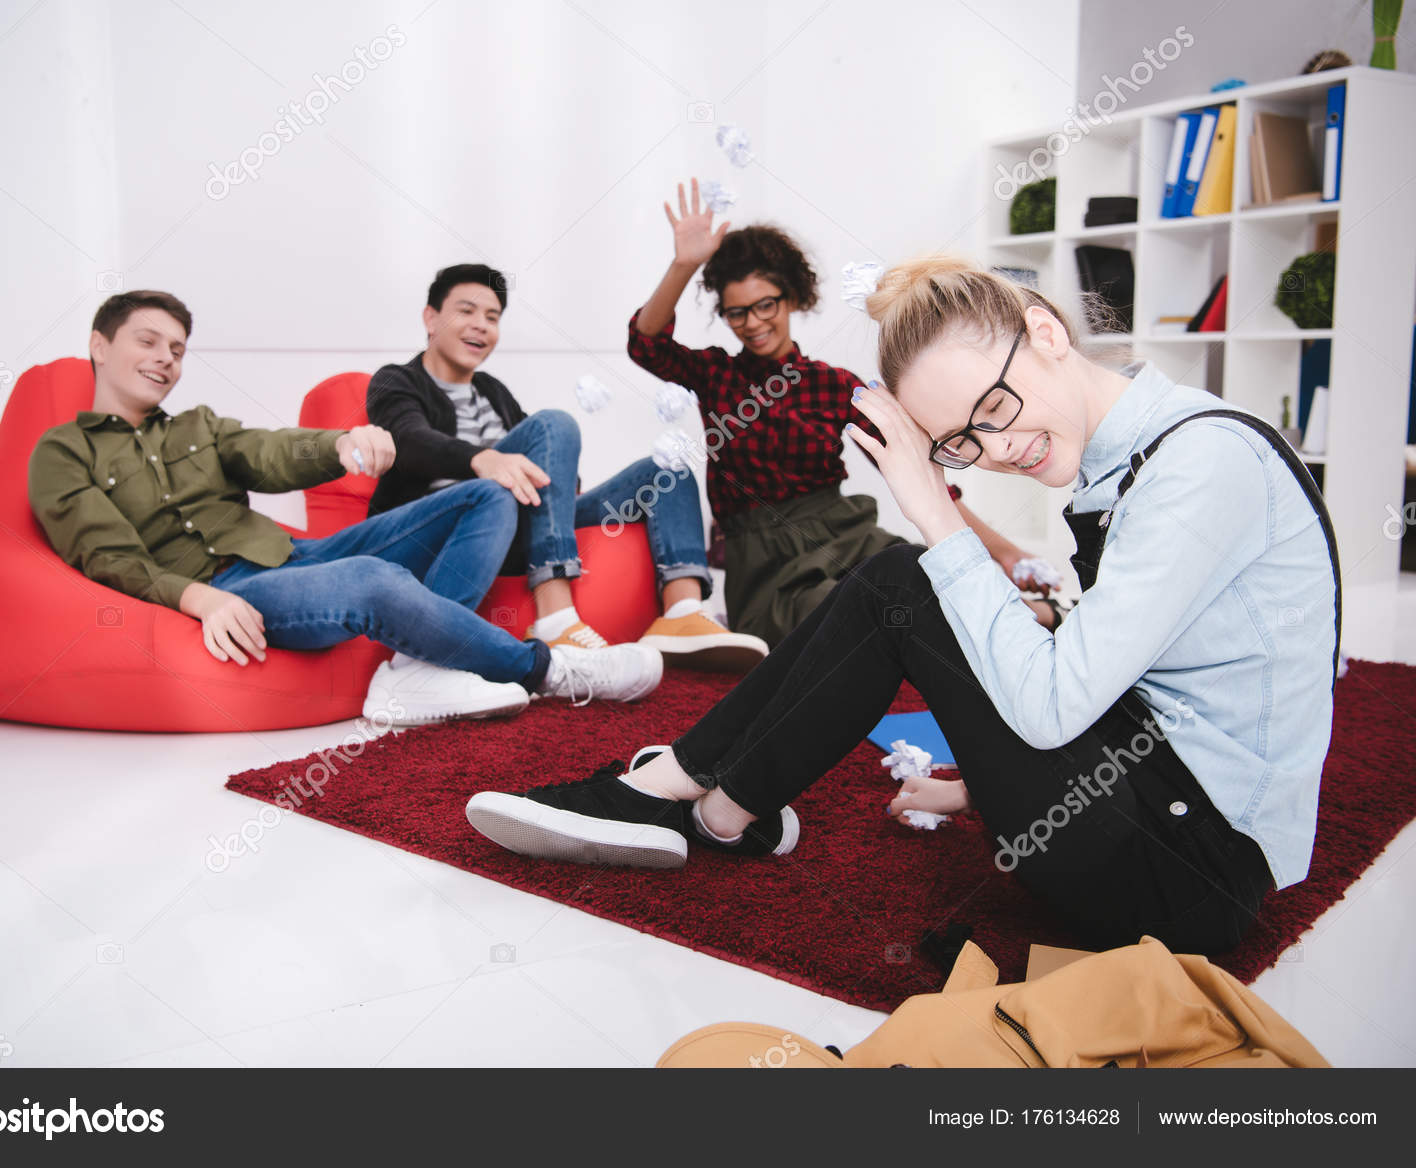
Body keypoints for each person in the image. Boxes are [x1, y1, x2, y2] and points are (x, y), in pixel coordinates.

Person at [466, 257, 1339, 955]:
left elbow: (1056, 703)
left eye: (994, 408)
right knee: (901, 585)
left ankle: (684, 791)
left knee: (902, 581)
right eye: (965, 440)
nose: (1000, 447)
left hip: (1188, 877)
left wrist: (932, 505)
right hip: (1159, 806)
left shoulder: (1197, 463)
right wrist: (999, 775)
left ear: (1046, 331)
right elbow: (1133, 672)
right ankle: (718, 804)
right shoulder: (1148, 449)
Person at [28, 291, 663, 725]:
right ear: (100, 345)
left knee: (489, 492)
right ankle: (548, 669)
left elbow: (269, 452)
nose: (166, 358)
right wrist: (200, 598)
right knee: (374, 580)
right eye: (150, 341)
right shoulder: (62, 451)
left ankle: (416, 670)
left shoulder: (196, 425)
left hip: (293, 556)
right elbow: (107, 556)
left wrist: (341, 445)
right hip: (231, 586)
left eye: (177, 348)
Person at [628, 178, 1060, 646]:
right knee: (841, 621)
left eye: (765, 304)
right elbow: (646, 345)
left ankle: (1042, 617)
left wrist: (1008, 554)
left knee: (922, 582)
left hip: (847, 534)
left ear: (792, 296)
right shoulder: (716, 373)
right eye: (737, 313)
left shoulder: (836, 386)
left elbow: (923, 478)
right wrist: (684, 264)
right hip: (766, 562)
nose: (752, 322)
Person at [365, 262, 768, 674]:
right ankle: (555, 618)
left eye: (492, 317)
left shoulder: (493, 392)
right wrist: (481, 458)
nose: (481, 326)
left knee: (665, 469)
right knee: (554, 423)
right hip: (454, 528)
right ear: (431, 317)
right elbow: (407, 440)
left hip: (525, 523)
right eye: (466, 311)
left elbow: (546, 457)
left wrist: (561, 485)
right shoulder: (396, 381)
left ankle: (682, 612)